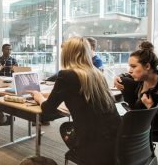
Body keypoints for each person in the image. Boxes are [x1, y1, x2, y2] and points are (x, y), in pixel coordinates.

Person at [31, 37, 120, 165]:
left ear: (67, 53)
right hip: (116, 140)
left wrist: (39, 97)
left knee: (65, 128)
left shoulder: (66, 75)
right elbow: (82, 96)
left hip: (92, 143)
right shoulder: (97, 74)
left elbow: (47, 110)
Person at [114, 41, 158, 130]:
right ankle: (131, 115)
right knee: (123, 81)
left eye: (133, 66)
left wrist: (151, 107)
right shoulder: (150, 73)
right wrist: (119, 77)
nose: (130, 70)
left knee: (116, 127)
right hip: (144, 114)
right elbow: (129, 75)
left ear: (147, 66)